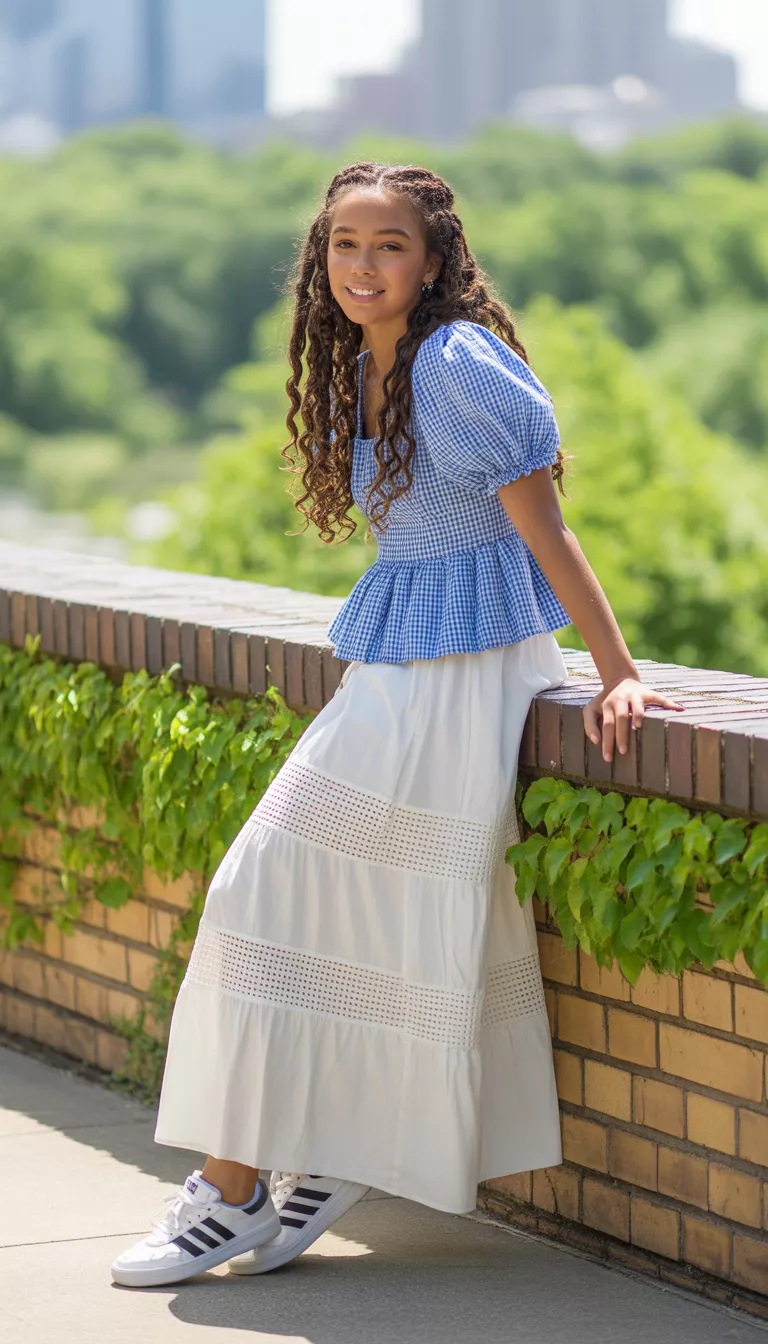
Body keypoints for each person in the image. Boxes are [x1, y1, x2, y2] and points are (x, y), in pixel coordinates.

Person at [111, 161, 684, 1289]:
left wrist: (616, 672)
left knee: (264, 889)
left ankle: (231, 1195)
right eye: (344, 246)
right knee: (340, 913)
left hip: (464, 681)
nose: (363, 266)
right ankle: (320, 1158)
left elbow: (550, 535)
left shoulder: (461, 366)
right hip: (403, 670)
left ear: (434, 262)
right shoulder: (360, 362)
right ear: (320, 262)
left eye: (388, 246)